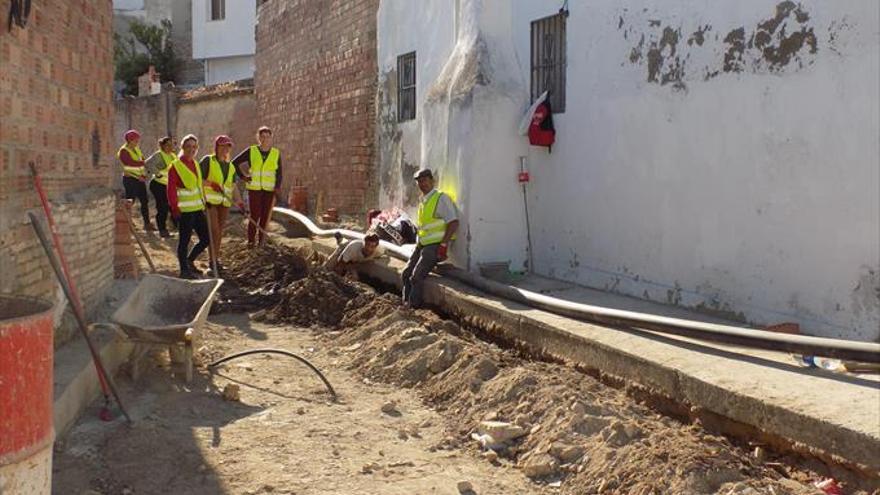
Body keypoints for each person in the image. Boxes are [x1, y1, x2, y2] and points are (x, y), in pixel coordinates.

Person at [401, 169, 459, 308]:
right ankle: (405, 303)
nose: (422, 184)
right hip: (422, 244)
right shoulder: (424, 201)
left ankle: (413, 307)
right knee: (406, 273)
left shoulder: (440, 198)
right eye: (419, 182)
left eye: (425, 180)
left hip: (434, 245)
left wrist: (444, 245)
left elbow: (453, 222)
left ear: (432, 181)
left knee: (416, 277)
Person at [200, 135, 245, 275]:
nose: (225, 148)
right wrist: (211, 184)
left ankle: (215, 260)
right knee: (214, 230)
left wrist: (240, 202)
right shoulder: (208, 160)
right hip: (209, 201)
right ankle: (211, 263)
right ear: (216, 147)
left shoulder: (230, 166)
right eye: (222, 145)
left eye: (227, 146)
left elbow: (232, 186)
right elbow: (197, 179)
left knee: (219, 232)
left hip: (224, 203)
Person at [167, 134, 210, 279]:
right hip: (184, 211)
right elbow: (171, 189)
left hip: (197, 209)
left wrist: (204, 202)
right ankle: (184, 271)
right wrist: (174, 208)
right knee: (184, 242)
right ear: (183, 148)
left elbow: (198, 186)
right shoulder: (176, 166)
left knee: (206, 238)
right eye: (188, 146)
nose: (192, 149)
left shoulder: (196, 164)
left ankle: (189, 261)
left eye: (194, 147)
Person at [232, 126, 283, 247]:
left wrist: (277, 186)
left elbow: (279, 172)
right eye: (262, 136)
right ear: (258, 138)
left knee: (265, 217)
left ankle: (261, 242)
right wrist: (243, 176)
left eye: (267, 136)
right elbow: (234, 163)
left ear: (271, 138)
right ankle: (251, 242)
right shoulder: (252, 151)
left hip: (269, 190)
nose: (265, 139)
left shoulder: (276, 153)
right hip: (254, 189)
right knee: (255, 216)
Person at [117, 129, 153, 230]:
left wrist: (144, 175)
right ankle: (128, 222)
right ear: (130, 140)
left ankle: (147, 223)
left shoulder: (136, 149)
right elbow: (130, 163)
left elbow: (141, 161)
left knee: (144, 201)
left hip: (139, 179)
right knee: (130, 201)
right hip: (130, 179)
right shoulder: (123, 151)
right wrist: (144, 163)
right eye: (136, 140)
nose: (137, 142)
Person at [143, 136, 177, 237]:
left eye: (172, 145)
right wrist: (157, 173)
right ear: (162, 146)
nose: (170, 147)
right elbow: (147, 163)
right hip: (158, 185)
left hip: (169, 186)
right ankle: (162, 230)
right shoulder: (159, 155)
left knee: (172, 206)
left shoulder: (173, 156)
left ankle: (176, 226)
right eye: (168, 145)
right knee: (162, 207)